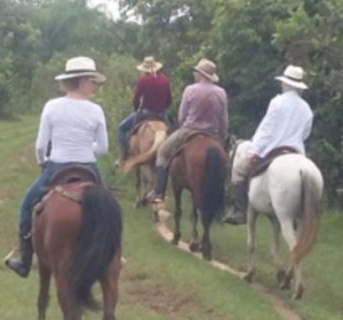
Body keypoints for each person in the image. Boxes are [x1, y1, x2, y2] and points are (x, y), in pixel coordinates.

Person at [4, 56, 109, 278]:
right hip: (88, 167)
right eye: (92, 81)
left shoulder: (52, 106)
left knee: (26, 206)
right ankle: (112, 256)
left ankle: (24, 260)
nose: (94, 86)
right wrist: (84, 145)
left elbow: (41, 145)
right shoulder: (96, 110)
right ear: (81, 81)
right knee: (109, 211)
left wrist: (42, 161)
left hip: (57, 166)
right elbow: (102, 149)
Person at [223, 65, 313, 225]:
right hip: (297, 152)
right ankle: (300, 213)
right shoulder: (306, 109)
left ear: (285, 84)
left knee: (238, 170)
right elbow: (305, 134)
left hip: (274, 149)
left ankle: (240, 211)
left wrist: (254, 151)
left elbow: (267, 129)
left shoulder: (277, 102)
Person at [149, 58, 229, 203]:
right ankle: (227, 194)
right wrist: (222, 135)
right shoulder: (221, 92)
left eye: (196, 72)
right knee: (226, 163)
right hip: (213, 134)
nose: (194, 74)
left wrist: (184, 125)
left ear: (201, 74)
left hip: (189, 130)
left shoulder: (190, 90)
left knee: (163, 152)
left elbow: (181, 116)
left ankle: (159, 191)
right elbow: (223, 119)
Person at [117, 56, 172, 161]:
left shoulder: (143, 80)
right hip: (161, 114)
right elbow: (169, 100)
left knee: (122, 128)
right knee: (171, 131)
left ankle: (124, 156)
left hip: (145, 113)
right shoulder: (165, 80)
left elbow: (136, 99)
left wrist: (136, 109)